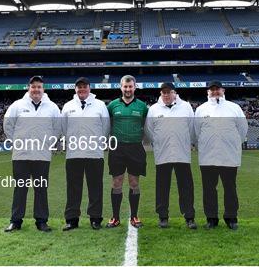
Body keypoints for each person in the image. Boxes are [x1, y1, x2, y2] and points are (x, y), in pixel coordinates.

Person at [3, 76, 61, 232]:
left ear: (43, 89)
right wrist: (16, 141)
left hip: (42, 155)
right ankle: (15, 221)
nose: (36, 89)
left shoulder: (52, 107)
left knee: (41, 189)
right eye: (33, 86)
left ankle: (41, 221)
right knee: (20, 188)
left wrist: (48, 143)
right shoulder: (17, 105)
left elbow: (57, 128)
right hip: (21, 155)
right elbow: (7, 124)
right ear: (28, 88)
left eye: (39, 87)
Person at [194, 80, 248, 230]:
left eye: (217, 89)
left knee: (230, 188)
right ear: (207, 92)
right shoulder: (201, 110)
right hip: (207, 157)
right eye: (212, 90)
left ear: (223, 91)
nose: (215, 92)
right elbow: (195, 132)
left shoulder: (234, 108)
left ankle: (231, 218)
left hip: (229, 156)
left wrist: (233, 144)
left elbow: (243, 130)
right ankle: (211, 219)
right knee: (209, 189)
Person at [145, 82, 197, 229]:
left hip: (182, 154)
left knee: (186, 186)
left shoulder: (186, 106)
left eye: (169, 92)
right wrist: (159, 143)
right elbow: (149, 131)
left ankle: (189, 217)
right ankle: (163, 217)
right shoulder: (154, 109)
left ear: (174, 93)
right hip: (163, 154)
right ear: (161, 94)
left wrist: (189, 143)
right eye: (163, 93)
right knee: (162, 187)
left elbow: (192, 128)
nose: (166, 95)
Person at [61, 77, 110, 231]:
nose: (82, 89)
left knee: (95, 187)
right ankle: (72, 219)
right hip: (73, 153)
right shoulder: (68, 106)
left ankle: (95, 218)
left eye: (84, 87)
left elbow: (106, 128)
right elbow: (63, 128)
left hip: (94, 153)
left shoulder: (100, 105)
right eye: (79, 87)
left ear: (89, 87)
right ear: (75, 89)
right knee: (73, 188)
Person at [106, 75, 148, 229]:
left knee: (134, 182)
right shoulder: (112, 106)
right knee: (116, 182)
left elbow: (146, 127)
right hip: (117, 148)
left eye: (130, 87)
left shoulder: (143, 107)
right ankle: (115, 217)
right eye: (125, 86)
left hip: (135, 148)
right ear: (121, 87)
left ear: (135, 87)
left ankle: (134, 216)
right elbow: (107, 125)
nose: (128, 89)